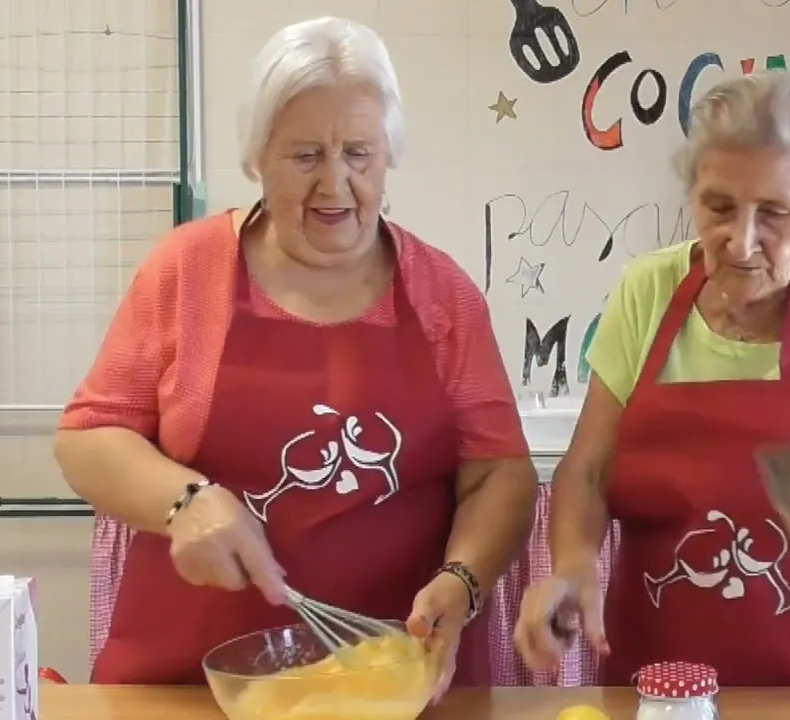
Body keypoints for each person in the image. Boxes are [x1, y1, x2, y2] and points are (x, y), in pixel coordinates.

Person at [53, 16, 538, 690]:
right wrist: (184, 499)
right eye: (306, 156)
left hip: (392, 684)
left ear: (388, 154)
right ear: (259, 157)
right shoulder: (187, 272)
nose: (335, 185)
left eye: (359, 154)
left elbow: (500, 474)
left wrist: (462, 579)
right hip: (191, 685)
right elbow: (87, 437)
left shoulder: (443, 297)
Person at [512, 72, 790, 688]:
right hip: (666, 682)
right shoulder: (647, 291)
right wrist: (571, 565)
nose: (741, 241)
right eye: (719, 207)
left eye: (776, 213)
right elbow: (587, 470)